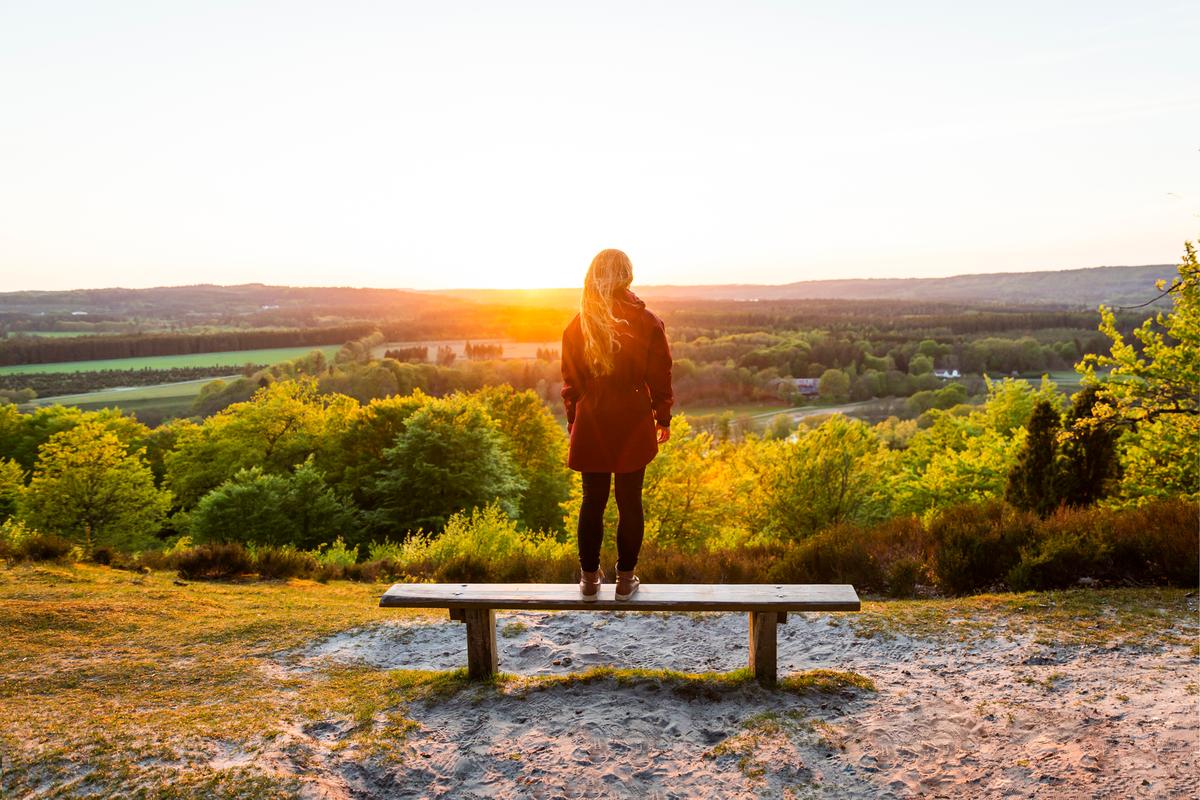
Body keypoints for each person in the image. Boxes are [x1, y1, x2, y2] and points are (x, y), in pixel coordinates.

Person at [560, 248, 673, 601]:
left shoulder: (579, 323)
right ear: (628, 274)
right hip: (633, 416)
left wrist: (574, 421)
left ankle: (589, 581)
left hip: (593, 416)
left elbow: (570, 383)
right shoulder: (648, 321)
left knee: (592, 501)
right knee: (629, 501)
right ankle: (625, 581)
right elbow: (661, 376)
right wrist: (663, 417)